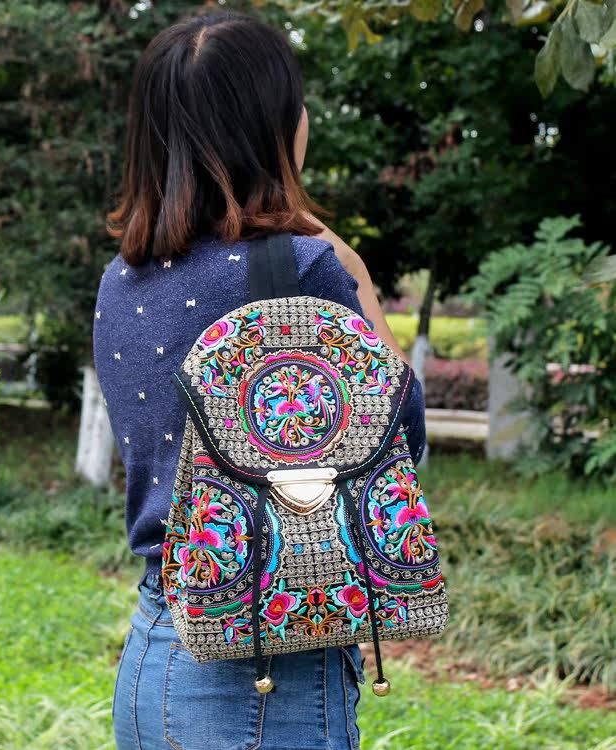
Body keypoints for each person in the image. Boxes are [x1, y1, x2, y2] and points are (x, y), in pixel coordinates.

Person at [93, 11, 426, 750]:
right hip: (267, 674)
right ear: (278, 126)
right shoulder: (303, 269)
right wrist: (353, 270)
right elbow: (400, 443)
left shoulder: (121, 280)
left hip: (153, 656)